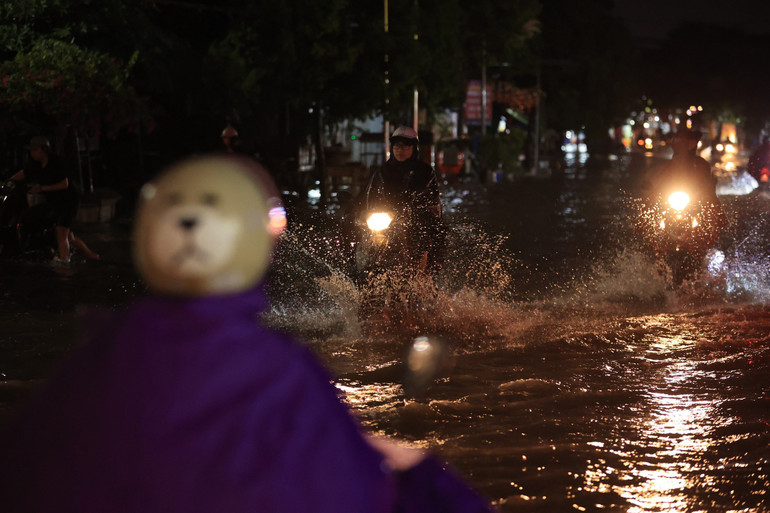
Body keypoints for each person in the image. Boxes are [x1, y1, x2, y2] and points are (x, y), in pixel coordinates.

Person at [364, 126, 446, 273]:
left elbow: (428, 196)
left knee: (423, 239)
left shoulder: (424, 171)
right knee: (369, 242)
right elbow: (371, 194)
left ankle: (421, 278)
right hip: (389, 220)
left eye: (404, 146)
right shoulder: (382, 171)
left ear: (413, 148)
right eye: (396, 146)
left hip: (417, 220)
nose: (399, 150)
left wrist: (412, 202)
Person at [9, 136, 99, 263]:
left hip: (68, 201)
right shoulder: (36, 164)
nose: (32, 153)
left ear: (43, 150)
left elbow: (64, 184)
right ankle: (92, 256)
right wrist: (9, 183)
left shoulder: (55, 162)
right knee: (68, 236)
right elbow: (22, 174)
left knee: (61, 233)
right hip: (56, 202)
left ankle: (64, 265)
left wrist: (41, 188)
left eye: (35, 150)